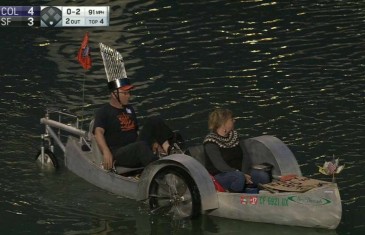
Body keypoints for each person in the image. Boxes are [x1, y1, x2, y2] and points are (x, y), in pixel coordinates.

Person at [93, 78, 182, 171]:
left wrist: (153, 142)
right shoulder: (103, 112)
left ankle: (170, 150)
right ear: (114, 94)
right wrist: (106, 151)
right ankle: (162, 171)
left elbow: (136, 131)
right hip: (119, 153)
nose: (129, 96)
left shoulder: (129, 109)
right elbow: (98, 132)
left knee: (154, 120)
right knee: (141, 146)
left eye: (129, 93)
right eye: (125, 93)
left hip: (136, 146)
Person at [203, 108, 270, 192]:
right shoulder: (210, 142)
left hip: (241, 172)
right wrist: (241, 174)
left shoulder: (235, 135)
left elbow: (245, 156)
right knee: (238, 177)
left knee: (263, 176)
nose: (234, 121)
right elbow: (220, 166)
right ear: (224, 123)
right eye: (231, 119)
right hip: (221, 175)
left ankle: (253, 193)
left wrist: (245, 172)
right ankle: (234, 196)